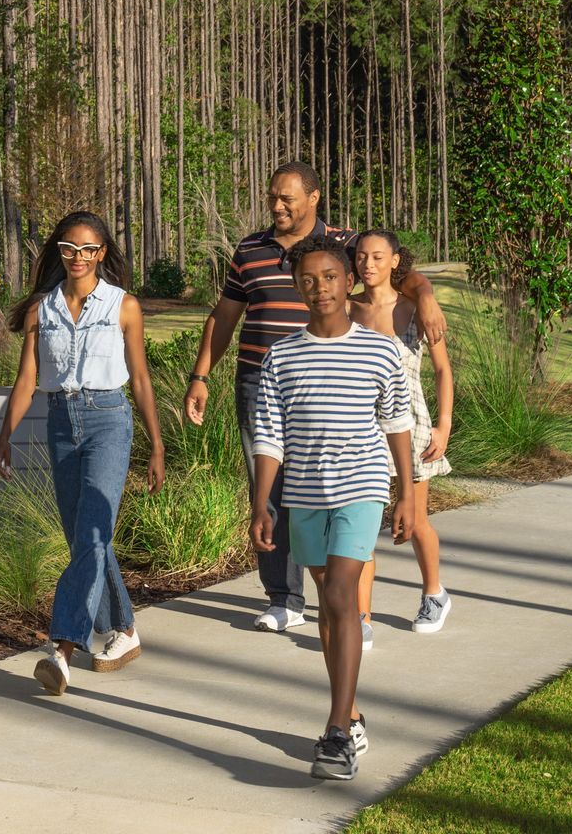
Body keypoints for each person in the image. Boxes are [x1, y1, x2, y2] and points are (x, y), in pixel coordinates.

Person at [185, 161, 444, 633]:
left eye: (287, 198)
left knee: (336, 489)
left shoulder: (344, 245)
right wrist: (201, 375)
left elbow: (395, 273)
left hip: (337, 382)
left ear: (314, 198)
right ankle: (285, 598)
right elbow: (223, 317)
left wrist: (424, 294)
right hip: (261, 379)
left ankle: (345, 603)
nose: (277, 206)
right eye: (272, 198)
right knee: (269, 488)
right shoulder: (250, 249)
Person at [250, 240, 415, 781]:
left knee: (342, 593)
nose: (318, 288)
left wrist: (405, 493)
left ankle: (337, 734)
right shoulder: (282, 356)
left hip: (361, 486)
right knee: (328, 602)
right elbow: (270, 435)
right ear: (297, 287)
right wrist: (262, 504)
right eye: (308, 279)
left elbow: (396, 425)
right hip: (303, 494)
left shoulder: (379, 350)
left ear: (349, 282)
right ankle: (352, 713)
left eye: (329, 278)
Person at [0, 211, 165, 697]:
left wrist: (156, 443)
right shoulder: (41, 311)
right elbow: (27, 379)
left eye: (88, 250)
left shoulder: (123, 307)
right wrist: (5, 435)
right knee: (84, 537)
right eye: (69, 249)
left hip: (110, 419)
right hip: (61, 423)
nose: (78, 258)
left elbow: (142, 377)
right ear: (59, 252)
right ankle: (123, 629)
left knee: (91, 532)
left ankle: (62, 650)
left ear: (102, 253)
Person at [351, 230, 454, 637]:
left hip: (411, 427)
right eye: (361, 256)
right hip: (360, 429)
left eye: (378, 256)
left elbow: (444, 371)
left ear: (396, 261)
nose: (368, 264)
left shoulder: (415, 310)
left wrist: (443, 425)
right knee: (361, 528)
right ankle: (362, 619)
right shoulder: (347, 308)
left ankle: (434, 594)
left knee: (415, 520)